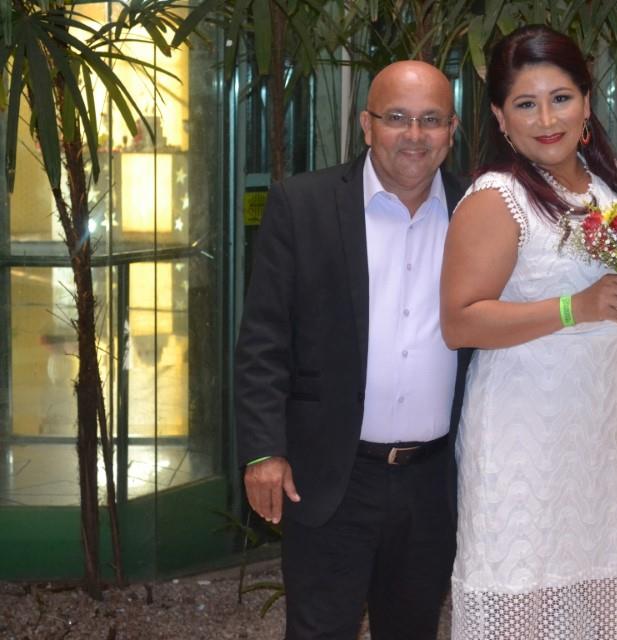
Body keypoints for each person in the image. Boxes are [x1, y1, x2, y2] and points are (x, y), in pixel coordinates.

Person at [440, 25, 617, 639]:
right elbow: (459, 322)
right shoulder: (497, 198)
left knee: (605, 604)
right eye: (526, 103)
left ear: (587, 102)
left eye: (561, 98)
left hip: (596, 434)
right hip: (521, 437)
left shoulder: (609, 185)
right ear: (500, 117)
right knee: (525, 604)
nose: (547, 119)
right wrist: (575, 308)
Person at [235, 60, 471, 640]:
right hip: (329, 475)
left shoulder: (478, 210)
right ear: (366, 125)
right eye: (396, 118)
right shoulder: (304, 204)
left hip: (435, 482)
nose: (414, 135)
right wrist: (263, 451)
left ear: (452, 129)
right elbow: (264, 339)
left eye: (430, 120)